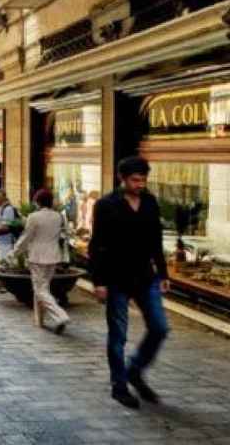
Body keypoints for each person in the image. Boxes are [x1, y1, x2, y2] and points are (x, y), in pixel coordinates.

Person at [89, 156, 170, 409]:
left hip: (146, 277)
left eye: (143, 180)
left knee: (159, 327)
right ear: (121, 179)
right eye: (135, 180)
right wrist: (98, 281)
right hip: (115, 279)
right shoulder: (106, 205)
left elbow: (156, 239)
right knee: (118, 336)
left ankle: (134, 369)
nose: (140, 184)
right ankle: (119, 386)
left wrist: (164, 273)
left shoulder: (149, 202)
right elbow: (97, 245)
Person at [12, 189, 70, 334]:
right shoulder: (58, 216)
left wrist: (14, 252)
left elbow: (26, 237)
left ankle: (60, 316)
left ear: (37, 201)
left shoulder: (33, 217)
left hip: (37, 256)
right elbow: (63, 234)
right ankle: (39, 320)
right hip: (53, 256)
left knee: (40, 289)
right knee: (44, 287)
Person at [0, 189, 19, 267]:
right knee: (2, 266)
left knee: (6, 266)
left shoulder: (8, 209)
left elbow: (7, 227)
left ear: (4, 197)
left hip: (6, 244)